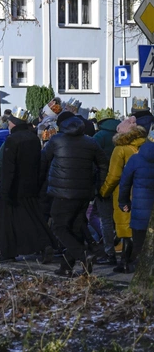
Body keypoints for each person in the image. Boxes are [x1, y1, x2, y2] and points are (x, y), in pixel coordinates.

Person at [41, 111, 108, 277]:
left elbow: (43, 160)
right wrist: (98, 186)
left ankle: (84, 255)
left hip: (62, 191)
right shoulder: (91, 142)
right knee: (75, 228)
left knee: (59, 227)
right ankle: (66, 266)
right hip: (84, 193)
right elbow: (103, 164)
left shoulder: (56, 140)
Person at [0, 108, 55, 263]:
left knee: (8, 222)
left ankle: (7, 253)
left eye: (9, 122)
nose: (8, 124)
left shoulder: (12, 140)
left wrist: (5, 190)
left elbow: (9, 167)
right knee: (32, 217)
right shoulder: (33, 138)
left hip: (14, 187)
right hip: (30, 185)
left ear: (14, 123)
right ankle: (46, 244)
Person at [99, 116, 146, 273]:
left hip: (124, 193)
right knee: (140, 227)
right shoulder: (146, 145)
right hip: (144, 191)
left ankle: (125, 262)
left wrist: (104, 191)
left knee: (125, 228)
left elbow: (114, 176)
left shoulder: (120, 149)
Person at [117, 128, 154, 272]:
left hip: (140, 212)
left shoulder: (136, 158)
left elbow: (125, 183)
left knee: (139, 244)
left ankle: (140, 272)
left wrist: (123, 202)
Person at [91, 108, 121, 265]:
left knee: (105, 219)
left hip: (103, 182)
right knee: (121, 217)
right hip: (123, 182)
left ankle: (109, 252)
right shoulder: (124, 133)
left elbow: (92, 160)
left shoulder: (99, 136)